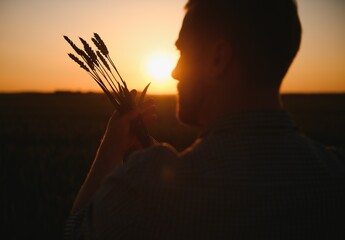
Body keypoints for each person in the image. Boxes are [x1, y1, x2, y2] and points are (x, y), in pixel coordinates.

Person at [65, 0, 345, 239]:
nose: (174, 72)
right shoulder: (337, 175)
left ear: (218, 58)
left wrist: (111, 147)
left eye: (183, 52)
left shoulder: (149, 188)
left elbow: (75, 232)